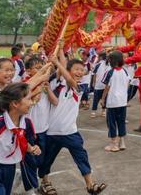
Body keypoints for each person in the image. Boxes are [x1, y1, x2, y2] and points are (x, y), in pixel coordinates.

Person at [39, 46, 107, 195]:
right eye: (76, 69)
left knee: (81, 156)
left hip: (70, 131)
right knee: (46, 160)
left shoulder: (81, 86)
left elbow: (68, 77)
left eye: (82, 70)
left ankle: (90, 184)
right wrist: (60, 55)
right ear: (68, 70)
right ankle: (45, 183)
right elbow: (56, 97)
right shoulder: (56, 84)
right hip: (52, 131)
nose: (79, 72)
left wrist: (58, 61)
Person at [23, 57, 58, 194]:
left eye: (42, 67)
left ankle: (44, 181)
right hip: (29, 131)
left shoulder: (47, 84)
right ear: (28, 71)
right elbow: (23, 99)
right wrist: (36, 92)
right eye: (37, 68)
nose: (42, 70)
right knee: (29, 161)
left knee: (43, 159)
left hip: (43, 129)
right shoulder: (25, 84)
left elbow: (55, 102)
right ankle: (30, 188)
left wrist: (47, 89)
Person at [101, 51, 130, 152]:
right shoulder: (125, 71)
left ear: (111, 60)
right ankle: (122, 142)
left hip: (113, 102)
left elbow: (107, 87)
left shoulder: (110, 72)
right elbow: (128, 83)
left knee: (112, 123)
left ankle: (113, 144)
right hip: (122, 101)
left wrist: (103, 98)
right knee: (121, 122)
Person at [90, 51, 109, 118]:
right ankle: (103, 111)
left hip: (98, 85)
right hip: (106, 85)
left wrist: (93, 83)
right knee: (105, 99)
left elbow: (94, 75)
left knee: (96, 99)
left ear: (100, 57)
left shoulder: (98, 65)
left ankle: (93, 112)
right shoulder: (108, 64)